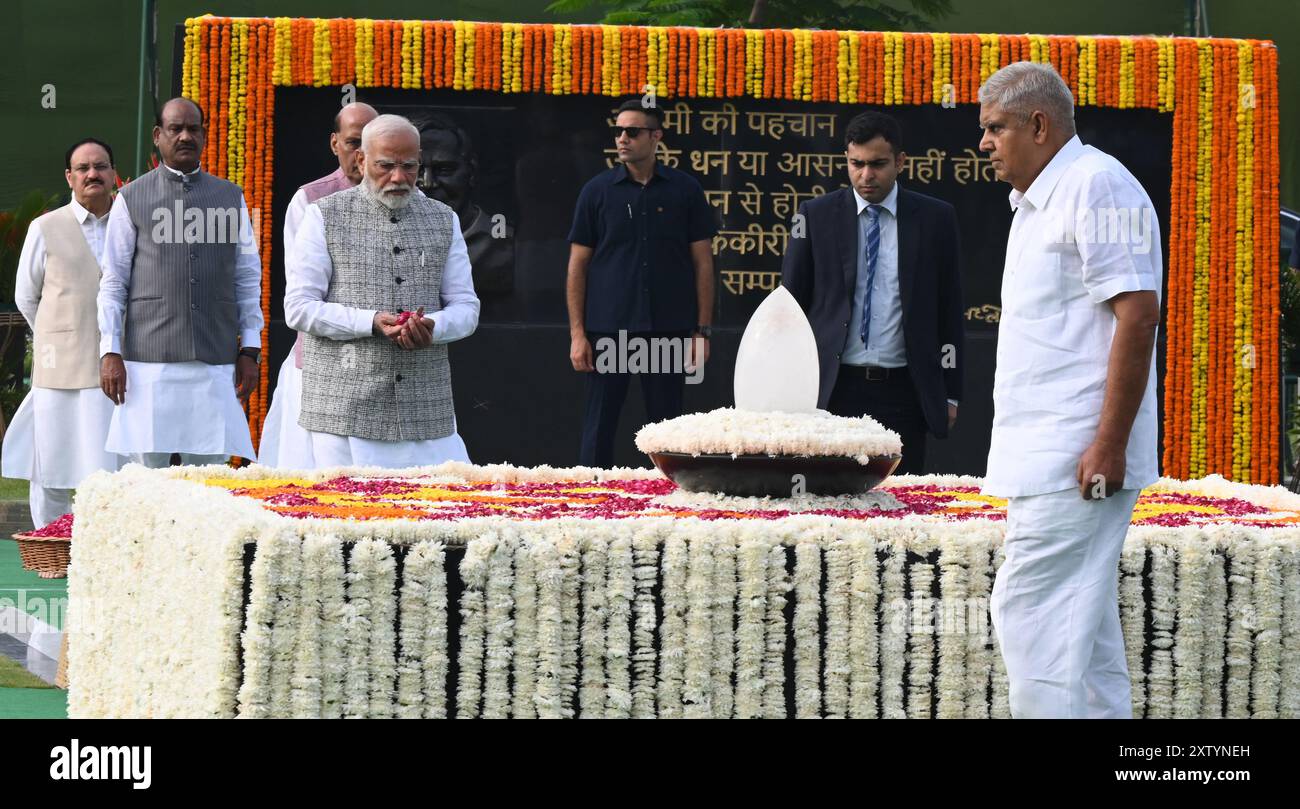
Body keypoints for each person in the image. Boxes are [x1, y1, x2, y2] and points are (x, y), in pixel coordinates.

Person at [979, 62, 1162, 719]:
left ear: (1038, 124)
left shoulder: (1096, 185)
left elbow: (1139, 313)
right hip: (1050, 455)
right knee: (1083, 641)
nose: (984, 142)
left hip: (1079, 457)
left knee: (1032, 615)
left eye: (995, 127)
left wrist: (1109, 444)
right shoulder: (1036, 203)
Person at [285, 114, 479, 468]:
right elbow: (298, 308)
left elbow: (466, 308)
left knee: (439, 517)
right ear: (361, 160)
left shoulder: (443, 218)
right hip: (342, 409)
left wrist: (433, 327)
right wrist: (370, 321)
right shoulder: (323, 215)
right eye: (386, 165)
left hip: (425, 408)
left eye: (409, 166)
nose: (399, 177)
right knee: (345, 517)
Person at [781, 111, 964, 474]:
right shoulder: (815, 216)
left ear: (900, 162)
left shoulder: (935, 218)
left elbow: (949, 306)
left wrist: (950, 392)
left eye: (878, 164)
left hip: (906, 391)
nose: (866, 176)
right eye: (856, 164)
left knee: (902, 503)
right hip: (833, 388)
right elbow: (791, 306)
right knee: (828, 503)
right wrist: (788, 387)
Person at [98, 97, 264, 467]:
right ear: (158, 135)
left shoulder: (229, 196)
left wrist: (250, 349)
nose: (185, 136)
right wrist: (110, 350)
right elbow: (113, 280)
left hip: (214, 360)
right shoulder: (131, 197)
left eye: (194, 129)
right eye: (176, 128)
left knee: (210, 479)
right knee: (148, 478)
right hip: (148, 363)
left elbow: (247, 275)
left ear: (204, 136)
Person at [567, 98, 717, 468]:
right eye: (618, 131)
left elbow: (703, 264)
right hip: (610, 332)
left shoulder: (685, 190)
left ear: (656, 136)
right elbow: (577, 265)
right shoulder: (597, 192)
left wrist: (702, 331)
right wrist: (577, 333)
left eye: (632, 132)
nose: (622, 139)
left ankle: (666, 504)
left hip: (668, 329)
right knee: (599, 425)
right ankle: (591, 501)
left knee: (667, 428)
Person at [1, 139, 123, 527]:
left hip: (119, 369)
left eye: (100, 167)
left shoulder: (130, 221)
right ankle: (49, 544)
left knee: (111, 467)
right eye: (83, 168)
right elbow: (26, 295)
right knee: (51, 464)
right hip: (59, 370)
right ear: (69, 177)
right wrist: (57, 336)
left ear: (112, 173)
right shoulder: (45, 227)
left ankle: (106, 548)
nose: (92, 175)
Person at [259, 101, 377, 469]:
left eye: (370, 143)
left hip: (388, 369)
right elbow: (303, 301)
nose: (362, 154)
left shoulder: (410, 200)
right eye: (353, 142)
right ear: (334, 144)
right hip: (320, 366)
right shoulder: (310, 200)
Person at [412, 112, 515, 295]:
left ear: (472, 172)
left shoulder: (503, 242)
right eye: (416, 170)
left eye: (444, 169)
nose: (427, 183)